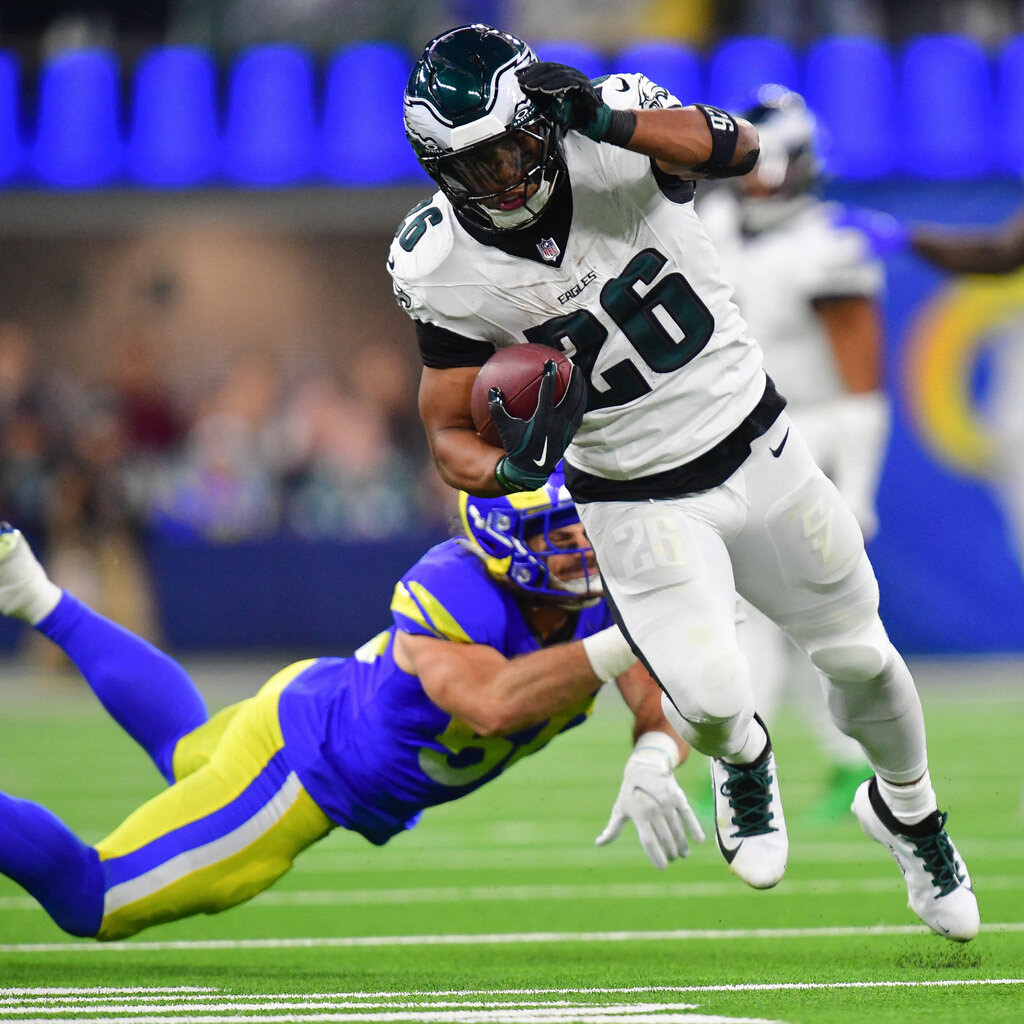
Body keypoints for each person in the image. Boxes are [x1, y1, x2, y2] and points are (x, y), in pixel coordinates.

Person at [387, 23, 979, 940]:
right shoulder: (441, 267)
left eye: (512, 146)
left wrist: (601, 118)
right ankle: (743, 757)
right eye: (476, 165)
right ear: (439, 170)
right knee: (706, 698)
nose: (504, 177)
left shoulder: (607, 129)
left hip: (755, 440)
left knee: (862, 658)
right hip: (630, 495)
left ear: (540, 121)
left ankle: (912, 812)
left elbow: (738, 146)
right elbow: (444, 432)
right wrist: (508, 468)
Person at [0, 469, 704, 941]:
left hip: (317, 702)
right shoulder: (457, 590)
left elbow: (653, 693)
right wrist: (629, 642)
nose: (584, 544)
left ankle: (31, 595)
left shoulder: (600, 601)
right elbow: (492, 704)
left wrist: (653, 752)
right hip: (300, 771)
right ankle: (35, 598)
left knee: (188, 754)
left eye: (585, 523)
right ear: (502, 542)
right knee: (94, 899)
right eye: (560, 531)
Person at [698, 85, 887, 822]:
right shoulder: (710, 221)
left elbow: (864, 387)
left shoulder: (830, 242)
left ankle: (752, 760)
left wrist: (861, 490)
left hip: (814, 436)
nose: (761, 177)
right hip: (732, 433)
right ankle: (819, 761)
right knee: (764, 614)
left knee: (785, 616)